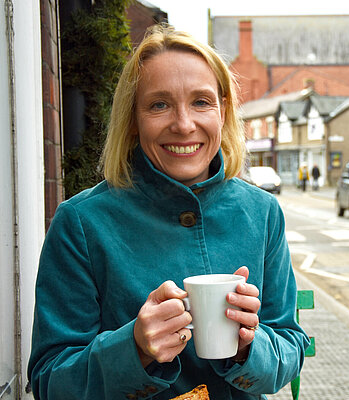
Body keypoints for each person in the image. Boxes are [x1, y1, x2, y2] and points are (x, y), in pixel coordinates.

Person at [28, 25, 309, 400]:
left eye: (201, 101)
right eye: (159, 104)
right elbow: (49, 381)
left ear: (222, 112)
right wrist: (135, 349)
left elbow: (290, 345)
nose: (184, 124)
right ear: (133, 119)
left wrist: (248, 348)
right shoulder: (81, 222)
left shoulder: (261, 212)